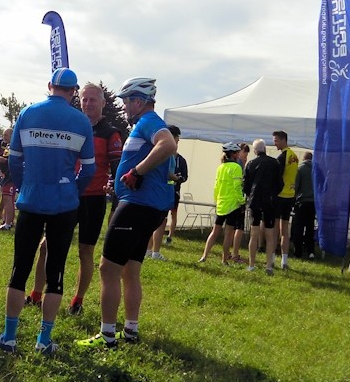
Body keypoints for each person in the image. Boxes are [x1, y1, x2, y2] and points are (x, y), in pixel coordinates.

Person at [0, 68, 94, 355]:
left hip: (31, 200)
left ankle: (9, 337)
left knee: (19, 270)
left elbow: (14, 161)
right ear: (74, 91)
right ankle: (44, 340)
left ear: (50, 85)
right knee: (56, 271)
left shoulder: (27, 114)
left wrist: (25, 185)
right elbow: (89, 169)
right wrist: (72, 190)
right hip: (64, 204)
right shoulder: (81, 121)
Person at [77, 77, 176, 349]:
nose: (123, 107)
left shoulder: (149, 122)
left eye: (126, 101)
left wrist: (136, 172)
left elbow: (168, 144)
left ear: (139, 101)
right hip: (146, 206)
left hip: (136, 206)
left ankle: (107, 335)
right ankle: (130, 330)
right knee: (131, 270)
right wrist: (127, 178)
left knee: (108, 268)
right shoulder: (145, 124)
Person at [26, 83, 123, 314]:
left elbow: (118, 168)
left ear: (103, 103)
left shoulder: (110, 133)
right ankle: (36, 294)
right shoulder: (72, 124)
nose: (88, 104)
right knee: (45, 246)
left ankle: (77, 301)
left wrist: (115, 194)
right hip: (66, 195)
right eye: (84, 99)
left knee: (85, 251)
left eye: (93, 99)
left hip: (93, 200)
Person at [197, 142, 246, 264]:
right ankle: (224, 260)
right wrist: (242, 201)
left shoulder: (220, 167)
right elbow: (237, 187)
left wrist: (216, 200)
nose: (239, 154)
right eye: (237, 152)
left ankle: (204, 256)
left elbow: (216, 186)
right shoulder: (236, 167)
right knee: (228, 234)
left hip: (221, 204)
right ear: (233, 154)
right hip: (233, 205)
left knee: (215, 232)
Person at [243, 139, 284, 275]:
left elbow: (246, 185)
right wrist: (273, 194)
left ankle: (251, 265)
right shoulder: (274, 163)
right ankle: (269, 266)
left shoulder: (250, 164)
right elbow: (280, 184)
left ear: (255, 151)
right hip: (270, 201)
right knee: (270, 234)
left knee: (254, 233)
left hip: (255, 201)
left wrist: (250, 195)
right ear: (265, 149)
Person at [147, 125, 188, 259]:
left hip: (159, 189)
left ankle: (148, 250)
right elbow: (166, 172)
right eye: (177, 139)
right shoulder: (166, 152)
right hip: (163, 190)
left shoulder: (160, 150)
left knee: (154, 220)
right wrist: (176, 178)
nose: (177, 142)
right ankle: (155, 252)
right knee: (160, 222)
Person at [272, 131, 298, 269]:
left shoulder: (282, 157)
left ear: (283, 140)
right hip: (290, 196)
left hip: (280, 195)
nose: (274, 143)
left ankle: (271, 259)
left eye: (276, 140)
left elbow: (277, 176)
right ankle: (284, 261)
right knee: (285, 230)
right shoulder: (294, 156)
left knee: (275, 230)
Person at [291, 151, 316, 258]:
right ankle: (310, 251)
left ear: (304, 158)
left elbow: (296, 187)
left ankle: (298, 251)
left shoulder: (300, 169)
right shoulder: (317, 170)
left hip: (302, 202)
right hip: (313, 203)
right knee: (310, 227)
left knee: (299, 227)